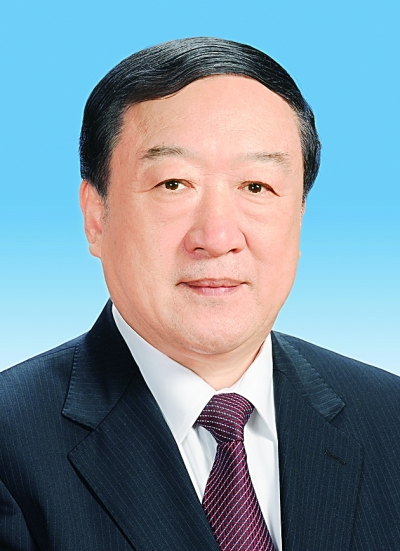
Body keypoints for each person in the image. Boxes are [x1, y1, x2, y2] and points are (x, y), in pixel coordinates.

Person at [0, 37, 399, 551]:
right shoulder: (11, 445)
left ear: (299, 216)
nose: (217, 237)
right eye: (173, 184)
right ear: (96, 217)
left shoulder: (389, 419)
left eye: (256, 187)